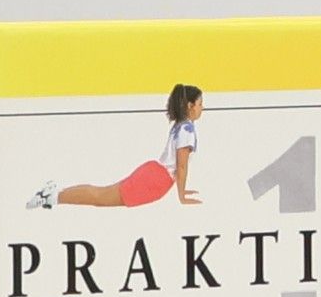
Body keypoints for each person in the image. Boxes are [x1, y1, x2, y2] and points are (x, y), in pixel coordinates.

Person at [26, 83, 205, 210]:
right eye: (199, 104)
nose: (201, 108)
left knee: (101, 194)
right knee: (101, 197)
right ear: (190, 106)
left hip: (154, 173)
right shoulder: (187, 130)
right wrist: (181, 195)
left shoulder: (182, 125)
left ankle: (56, 193)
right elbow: (181, 166)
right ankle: (53, 196)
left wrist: (182, 191)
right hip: (156, 180)